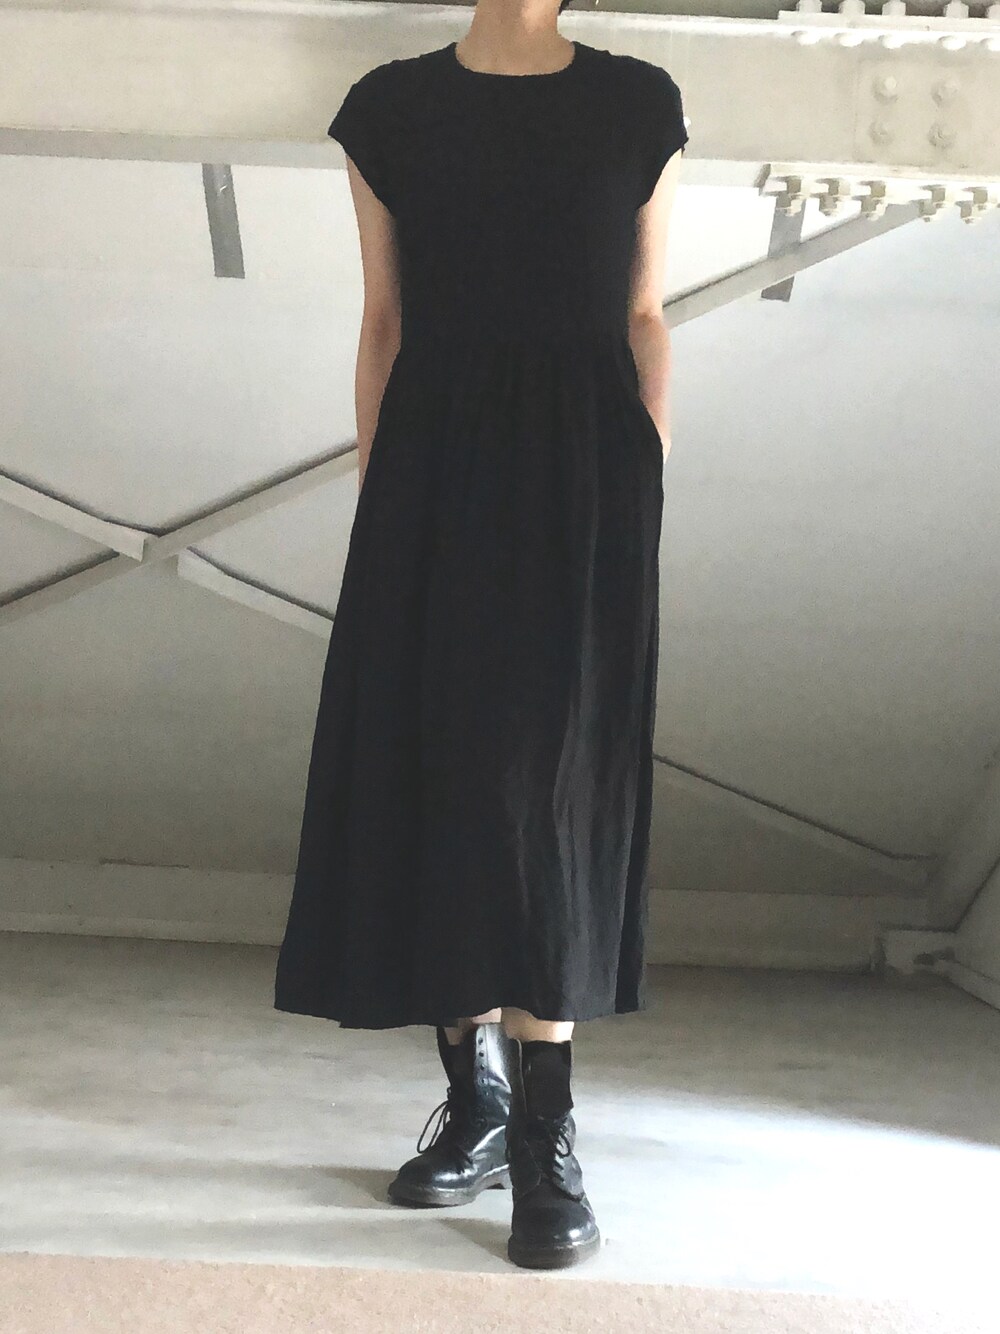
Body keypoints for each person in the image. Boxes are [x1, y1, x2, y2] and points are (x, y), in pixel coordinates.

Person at [274, 0, 688, 1271]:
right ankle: (478, 1099)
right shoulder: (390, 108)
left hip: (586, 478)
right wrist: (383, 497)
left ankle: (548, 1138)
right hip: (433, 473)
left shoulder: (635, 102)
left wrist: (641, 481)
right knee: (446, 777)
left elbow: (643, 312)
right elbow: (384, 319)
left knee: (549, 793)